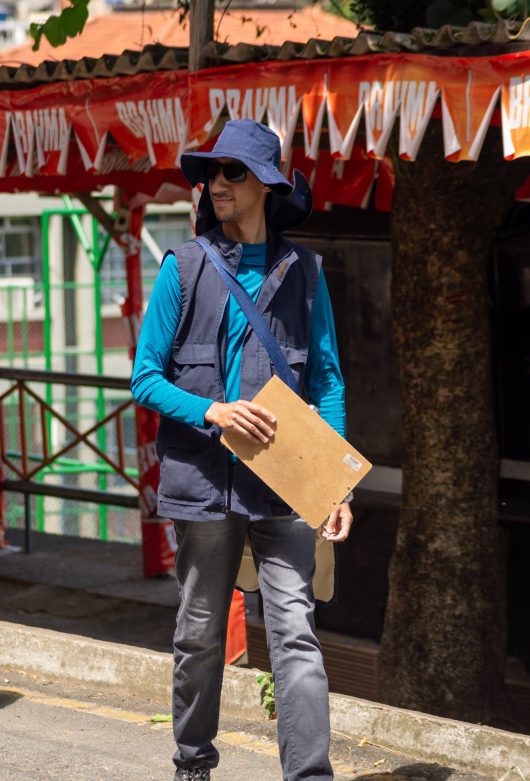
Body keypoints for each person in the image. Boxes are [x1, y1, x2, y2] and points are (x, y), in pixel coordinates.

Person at [131, 119, 352, 781]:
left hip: (284, 483)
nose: (215, 184)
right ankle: (193, 759)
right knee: (199, 633)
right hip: (202, 483)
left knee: (296, 636)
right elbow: (144, 377)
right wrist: (212, 410)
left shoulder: (306, 273)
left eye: (232, 172)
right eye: (210, 174)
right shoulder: (184, 267)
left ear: (266, 185)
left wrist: (334, 483)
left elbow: (329, 380)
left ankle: (309, 775)